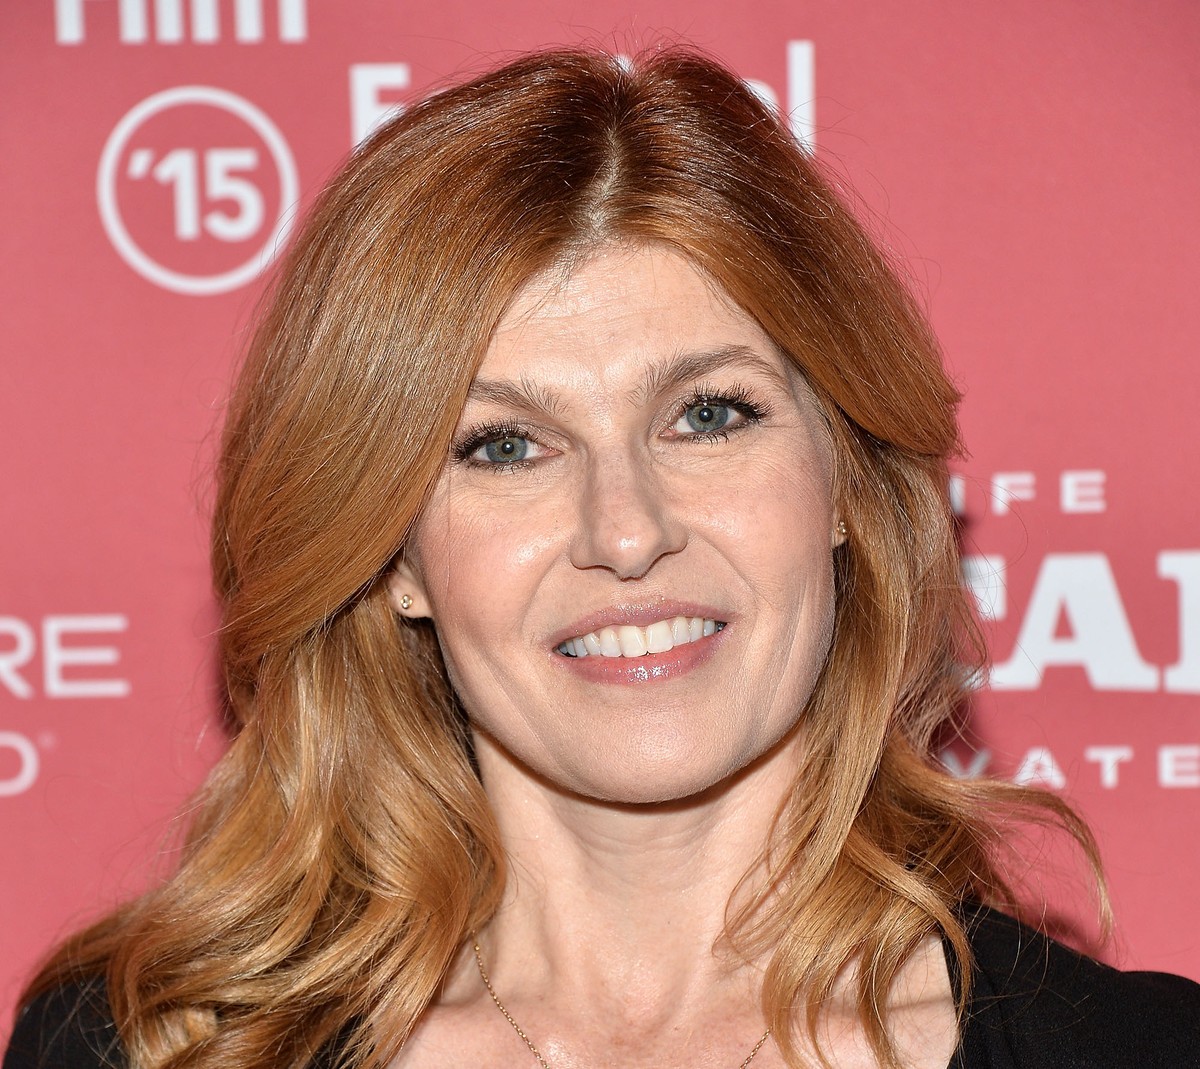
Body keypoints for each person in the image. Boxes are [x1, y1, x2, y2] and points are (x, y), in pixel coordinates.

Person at [5, 47, 1199, 1069]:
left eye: (708, 416)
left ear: (842, 481)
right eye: (506, 445)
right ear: (393, 553)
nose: (626, 532)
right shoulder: (137, 1050)